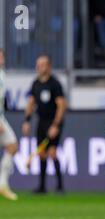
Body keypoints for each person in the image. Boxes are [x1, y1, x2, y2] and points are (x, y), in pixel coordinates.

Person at [22, 55, 67, 194]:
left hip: (53, 122)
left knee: (52, 152)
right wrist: (27, 121)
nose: (39, 67)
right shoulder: (35, 83)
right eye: (38, 64)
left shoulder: (55, 84)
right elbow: (31, 103)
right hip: (41, 121)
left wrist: (56, 125)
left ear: (49, 67)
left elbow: (61, 105)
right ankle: (42, 187)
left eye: (42, 64)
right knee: (41, 153)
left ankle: (60, 186)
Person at [0, 49, 18, 201]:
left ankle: (2, 184)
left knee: (12, 145)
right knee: (12, 145)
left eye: (2, 55)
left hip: (1, 117)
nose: (1, 58)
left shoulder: (1, 74)